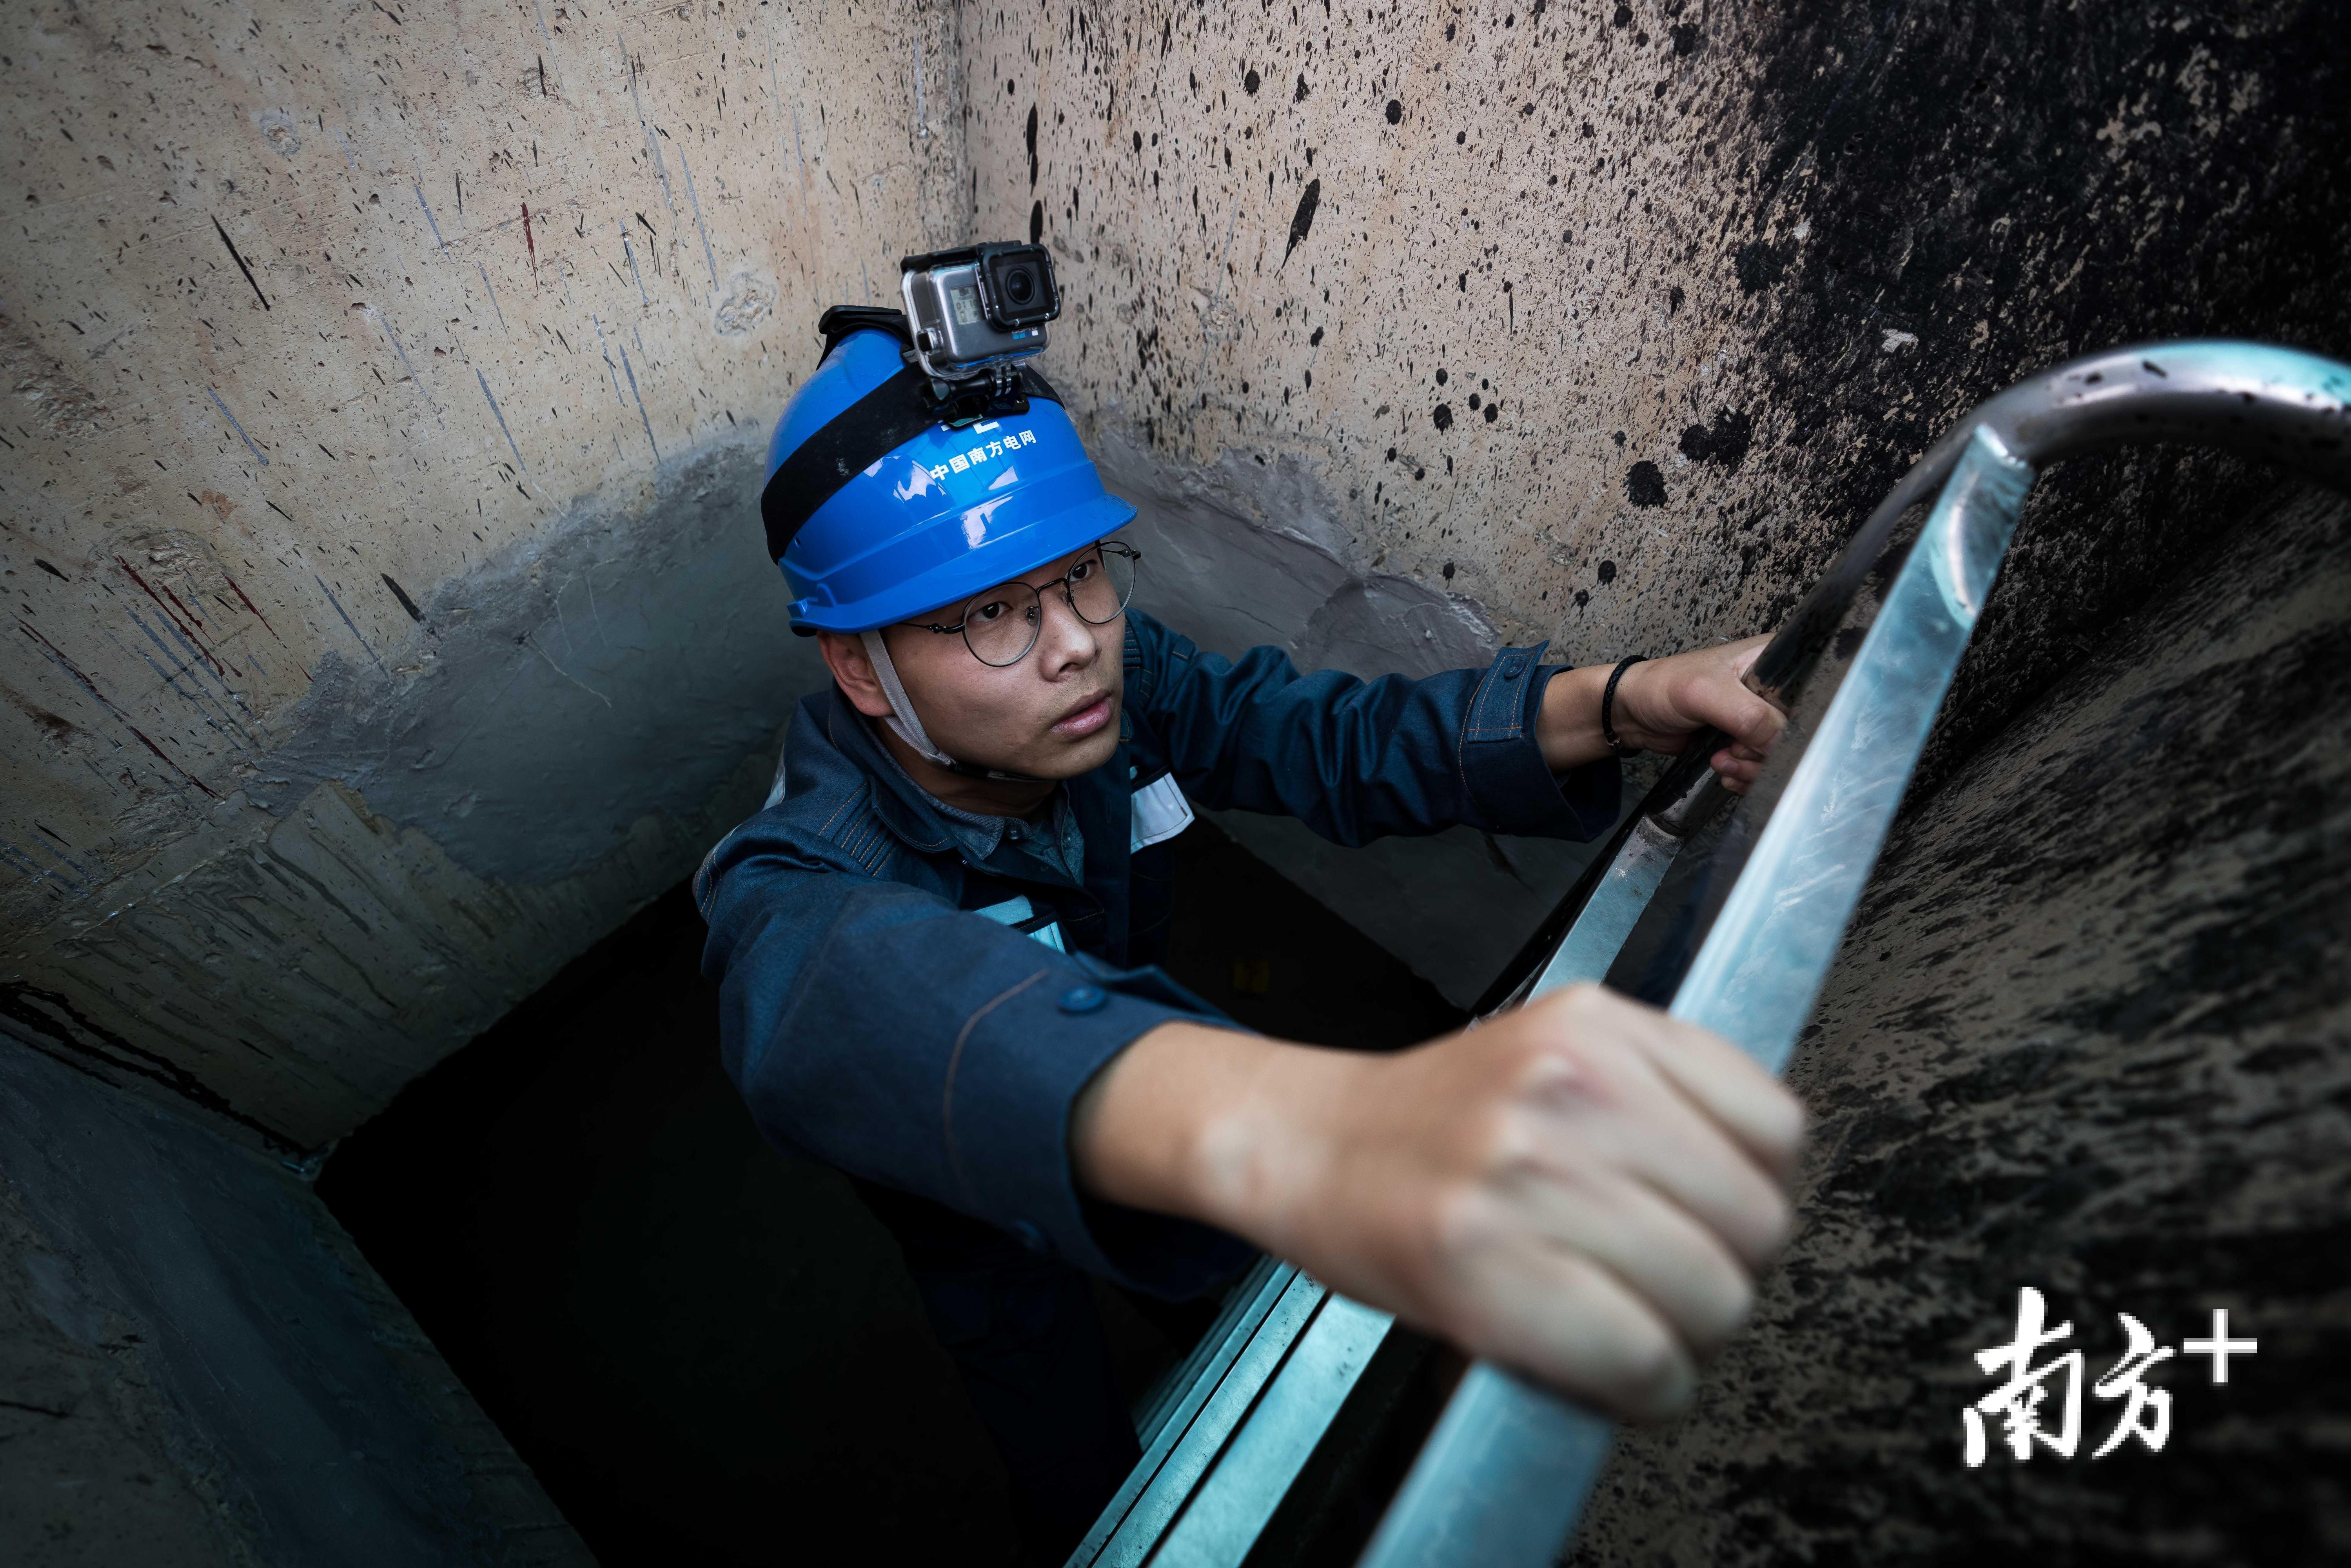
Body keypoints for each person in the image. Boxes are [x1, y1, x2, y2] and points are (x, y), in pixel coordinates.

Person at [698, 307, 1803, 1560]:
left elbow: (1330, 738)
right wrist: (1302, 1132)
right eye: (989, 616)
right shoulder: (800, 881)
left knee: (1238, 1314)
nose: (1076, 646)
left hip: (1177, 1103)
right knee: (1069, 1450)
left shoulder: (1113, 685)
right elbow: (866, 997)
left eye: (1079, 575)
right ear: (861, 672)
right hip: (977, 1221)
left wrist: (1623, 701)